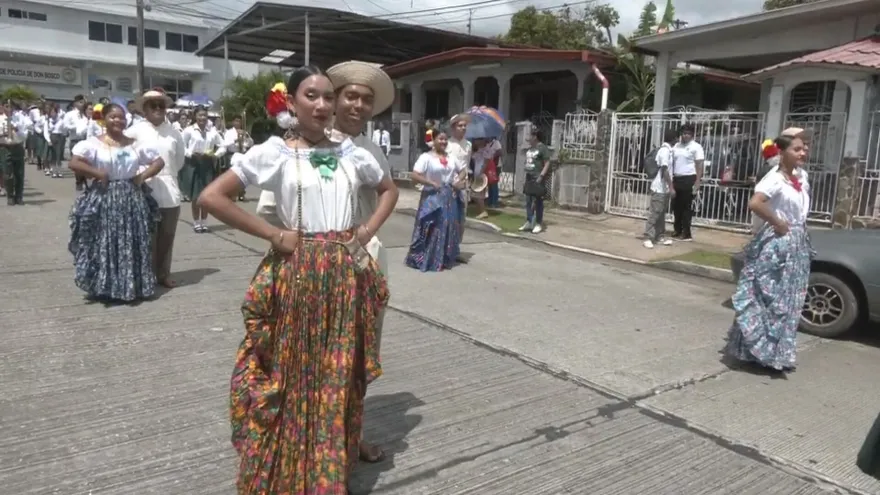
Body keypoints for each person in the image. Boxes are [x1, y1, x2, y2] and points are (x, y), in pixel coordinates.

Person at [198, 65, 397, 494]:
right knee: (294, 372)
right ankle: (294, 465)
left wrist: (364, 233)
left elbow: (389, 191)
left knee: (337, 373)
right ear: (291, 102)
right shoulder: (274, 152)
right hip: (298, 275)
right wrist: (272, 234)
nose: (322, 105)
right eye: (311, 96)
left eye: (328, 96)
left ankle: (328, 468)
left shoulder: (354, 154)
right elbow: (211, 197)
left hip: (344, 275)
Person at [326, 60, 399, 463]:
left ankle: (352, 436)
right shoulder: (308, 142)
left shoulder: (371, 150)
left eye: (366, 100)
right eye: (350, 96)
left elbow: (388, 193)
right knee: (320, 356)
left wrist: (366, 233)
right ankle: (319, 439)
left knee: (361, 353)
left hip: (365, 261)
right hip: (317, 264)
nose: (358, 105)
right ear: (335, 99)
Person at [724, 134, 811, 372]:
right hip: (777, 244)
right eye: (797, 149)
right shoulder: (773, 178)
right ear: (782, 153)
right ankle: (755, 350)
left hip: (796, 244)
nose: (803, 153)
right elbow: (755, 203)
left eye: (804, 149)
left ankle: (776, 353)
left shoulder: (801, 176)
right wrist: (777, 222)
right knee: (768, 297)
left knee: (789, 300)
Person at [67, 103, 165, 302]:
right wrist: (97, 173)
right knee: (106, 241)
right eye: (113, 117)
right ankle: (108, 287)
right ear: (104, 119)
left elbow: (158, 161)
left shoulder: (135, 144)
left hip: (131, 197)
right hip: (105, 197)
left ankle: (134, 286)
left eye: (121, 117)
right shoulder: (94, 143)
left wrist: (142, 176)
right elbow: (74, 162)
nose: (118, 121)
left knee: (132, 240)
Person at [126, 88, 186, 289]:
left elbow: (179, 161)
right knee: (146, 236)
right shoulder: (134, 131)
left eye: (162, 105)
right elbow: (127, 159)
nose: (159, 108)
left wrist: (167, 175)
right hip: (145, 188)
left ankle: (163, 273)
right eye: (154, 105)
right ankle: (146, 275)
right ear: (145, 109)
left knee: (167, 236)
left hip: (170, 188)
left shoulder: (174, 132)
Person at [405, 126, 467, 271]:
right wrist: (430, 183)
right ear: (433, 140)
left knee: (447, 226)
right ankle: (427, 257)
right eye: (440, 139)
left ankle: (444, 257)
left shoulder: (451, 157)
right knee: (431, 226)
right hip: (432, 197)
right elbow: (415, 175)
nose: (444, 141)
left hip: (449, 197)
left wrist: (458, 181)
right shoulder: (426, 157)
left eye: (445, 139)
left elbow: (463, 170)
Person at [182, 106, 225, 232]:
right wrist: (190, 153)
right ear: (195, 116)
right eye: (200, 115)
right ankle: (196, 222)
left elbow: (223, 145)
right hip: (194, 163)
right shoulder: (189, 130)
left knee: (206, 194)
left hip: (207, 164)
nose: (202, 118)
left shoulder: (212, 131)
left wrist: (215, 155)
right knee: (196, 195)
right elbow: (182, 146)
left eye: (205, 116)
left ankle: (204, 221)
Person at [643, 129, 677, 248]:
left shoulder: (668, 151)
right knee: (655, 213)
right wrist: (672, 187)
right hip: (659, 188)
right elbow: (665, 170)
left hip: (664, 189)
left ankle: (659, 236)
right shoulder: (664, 151)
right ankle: (648, 236)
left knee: (661, 213)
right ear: (674, 139)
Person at [670, 123, 704, 241]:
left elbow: (699, 165)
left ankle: (686, 232)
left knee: (686, 207)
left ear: (692, 135)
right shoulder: (676, 146)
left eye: (688, 134)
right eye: (684, 133)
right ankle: (677, 229)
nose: (686, 136)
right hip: (677, 178)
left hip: (689, 178)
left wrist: (697, 181)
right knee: (676, 206)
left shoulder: (696, 147)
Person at [521, 128, 551, 233]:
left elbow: (547, 163)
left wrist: (541, 176)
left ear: (535, 137)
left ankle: (538, 223)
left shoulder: (542, 148)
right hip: (529, 176)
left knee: (538, 201)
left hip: (537, 177)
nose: (528, 138)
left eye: (530, 135)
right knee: (528, 200)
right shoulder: (531, 148)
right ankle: (529, 221)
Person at [0, 101, 29, 205]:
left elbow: (25, 135)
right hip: (5, 147)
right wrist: (3, 133)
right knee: (8, 174)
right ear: (3, 107)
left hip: (17, 146)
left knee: (19, 174)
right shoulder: (0, 119)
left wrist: (16, 130)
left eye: (11, 107)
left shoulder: (20, 119)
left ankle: (19, 196)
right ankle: (10, 196)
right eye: (7, 106)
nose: (9, 109)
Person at [63, 96, 89, 192]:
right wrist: (77, 127)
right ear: (75, 103)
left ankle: (84, 179)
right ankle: (78, 180)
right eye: (80, 102)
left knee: (86, 163)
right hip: (75, 141)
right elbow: (65, 126)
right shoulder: (70, 114)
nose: (82, 104)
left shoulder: (86, 114)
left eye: (83, 102)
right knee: (77, 163)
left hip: (86, 140)